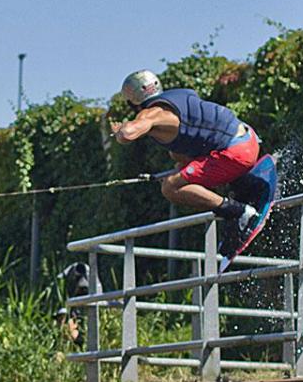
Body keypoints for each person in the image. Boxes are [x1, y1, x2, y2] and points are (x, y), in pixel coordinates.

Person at [111, 69, 275, 265]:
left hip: (236, 154)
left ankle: (240, 213)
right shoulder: (182, 94)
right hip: (249, 140)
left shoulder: (151, 113)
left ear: (132, 102)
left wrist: (121, 129)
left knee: (171, 187)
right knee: (178, 159)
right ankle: (243, 183)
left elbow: (128, 134)